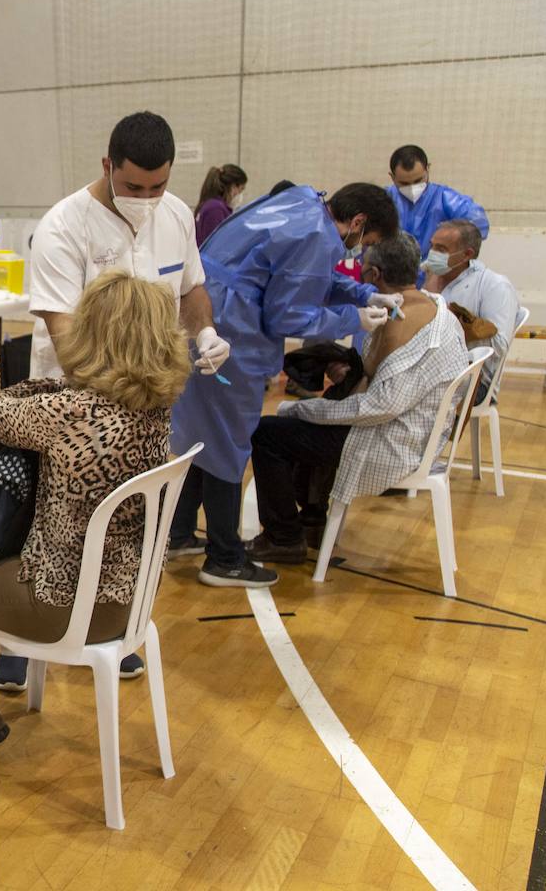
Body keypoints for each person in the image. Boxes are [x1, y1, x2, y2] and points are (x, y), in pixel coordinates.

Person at [168, 183, 404, 588]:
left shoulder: (303, 203)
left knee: (203, 434)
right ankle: (224, 559)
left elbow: (306, 280)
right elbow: (289, 315)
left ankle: (179, 533)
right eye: (367, 242)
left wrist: (363, 295)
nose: (360, 250)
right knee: (227, 442)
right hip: (232, 331)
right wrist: (353, 319)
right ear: (359, 222)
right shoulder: (316, 236)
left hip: (207, 313)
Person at [0, 273, 189, 714]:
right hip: (129, 604)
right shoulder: (157, 406)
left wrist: (56, 382)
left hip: (60, 607)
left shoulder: (71, 411)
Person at [246, 233, 470, 562]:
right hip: (414, 431)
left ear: (374, 274)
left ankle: (284, 537)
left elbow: (380, 406)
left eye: (363, 267)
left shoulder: (400, 323)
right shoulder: (435, 305)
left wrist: (303, 409)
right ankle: (312, 521)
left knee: (267, 433)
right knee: (313, 419)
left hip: (393, 441)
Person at [28, 110, 230, 383]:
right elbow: (65, 333)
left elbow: (189, 288)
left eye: (157, 187)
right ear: (107, 167)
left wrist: (206, 332)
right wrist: (126, 390)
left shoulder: (178, 215)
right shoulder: (63, 227)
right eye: (133, 188)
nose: (145, 198)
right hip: (74, 393)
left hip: (152, 390)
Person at [424, 218, 520, 403]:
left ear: (467, 254)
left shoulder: (494, 285)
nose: (432, 254)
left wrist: (458, 326)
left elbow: (499, 346)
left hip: (473, 381)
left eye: (441, 249)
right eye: (432, 246)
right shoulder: (431, 278)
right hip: (430, 371)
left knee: (406, 396)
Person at [387, 144, 489, 255]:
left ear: (428, 169)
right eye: (404, 183)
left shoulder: (444, 198)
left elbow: (479, 225)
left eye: (418, 181)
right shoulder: (383, 200)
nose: (412, 188)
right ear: (392, 177)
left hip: (436, 265)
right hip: (391, 265)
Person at [194, 164, 249, 245]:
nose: (240, 194)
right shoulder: (215, 209)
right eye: (241, 189)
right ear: (233, 187)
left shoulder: (212, 205)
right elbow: (215, 245)